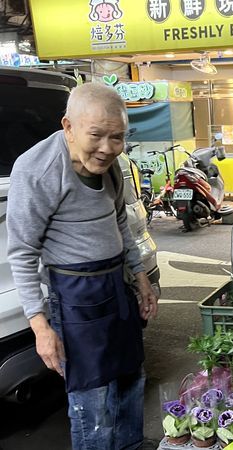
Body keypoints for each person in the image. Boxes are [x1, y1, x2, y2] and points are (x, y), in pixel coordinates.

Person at [7, 83, 159, 450]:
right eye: (97, 135)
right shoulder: (38, 169)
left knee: (129, 379)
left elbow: (120, 219)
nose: (108, 148)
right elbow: (23, 253)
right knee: (91, 400)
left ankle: (130, 446)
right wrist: (40, 326)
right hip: (75, 296)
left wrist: (140, 279)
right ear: (68, 126)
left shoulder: (113, 166)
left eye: (117, 137)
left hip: (116, 286)